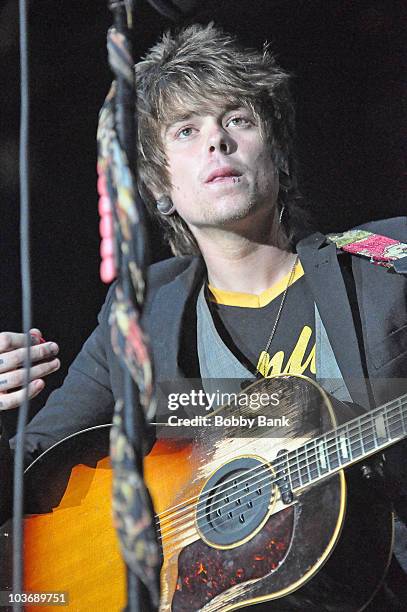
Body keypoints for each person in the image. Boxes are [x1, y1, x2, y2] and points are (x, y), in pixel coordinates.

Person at [1, 23, 406, 610]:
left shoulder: (387, 267)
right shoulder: (140, 317)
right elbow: (23, 491)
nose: (217, 142)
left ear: (279, 156)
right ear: (161, 186)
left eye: (237, 120)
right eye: (187, 131)